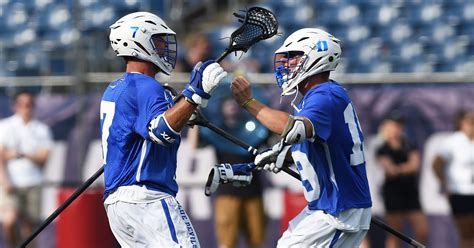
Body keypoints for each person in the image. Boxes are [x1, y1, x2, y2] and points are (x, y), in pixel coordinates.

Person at [229, 28, 372, 247]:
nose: (286, 64)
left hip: (338, 209)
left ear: (318, 58)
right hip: (328, 206)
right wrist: (280, 155)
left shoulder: (325, 95)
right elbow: (315, 144)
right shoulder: (320, 96)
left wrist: (249, 102)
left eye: (294, 57)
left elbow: (292, 128)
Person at [102, 12, 227, 247]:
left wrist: (183, 107)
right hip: (147, 198)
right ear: (138, 42)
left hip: (118, 204)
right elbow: (162, 132)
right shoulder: (146, 86)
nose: (164, 48)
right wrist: (195, 95)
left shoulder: (114, 87)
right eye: (158, 41)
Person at [200, 92, 268, 248]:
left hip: (253, 192)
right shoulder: (217, 130)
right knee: (226, 243)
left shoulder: (254, 130)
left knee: (256, 241)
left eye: (235, 104)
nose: (232, 107)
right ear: (221, 108)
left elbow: (272, 140)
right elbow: (195, 145)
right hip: (227, 193)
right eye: (228, 104)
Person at [0, 91, 53, 248]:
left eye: (29, 104)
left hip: (33, 182)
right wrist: (4, 180)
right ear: (15, 106)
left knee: (29, 230)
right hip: (11, 183)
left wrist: (19, 154)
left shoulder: (41, 129)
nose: (26, 108)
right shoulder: (5, 126)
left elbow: (43, 158)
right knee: (9, 221)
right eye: (22, 104)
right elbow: (1, 155)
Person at [375, 113, 428, 248]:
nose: (397, 128)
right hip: (393, 193)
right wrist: (405, 167)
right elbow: (390, 171)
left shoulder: (409, 144)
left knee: (422, 231)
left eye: (399, 125)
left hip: (410, 192)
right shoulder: (382, 148)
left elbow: (415, 166)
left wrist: (398, 169)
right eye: (394, 125)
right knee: (394, 233)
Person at [433, 110, 474, 248]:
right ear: (461, 123)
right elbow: (436, 164)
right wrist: (445, 184)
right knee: (467, 233)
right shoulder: (453, 142)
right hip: (461, 193)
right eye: (469, 121)